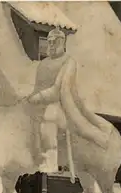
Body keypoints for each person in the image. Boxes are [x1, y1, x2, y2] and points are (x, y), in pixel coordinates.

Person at [25, 27, 110, 163]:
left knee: (49, 117)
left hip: (61, 103)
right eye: (50, 41)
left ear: (62, 43)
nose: (51, 45)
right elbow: (37, 87)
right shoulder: (42, 64)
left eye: (55, 42)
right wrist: (28, 98)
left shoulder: (69, 62)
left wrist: (38, 97)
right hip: (40, 102)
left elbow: (58, 89)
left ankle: (50, 159)